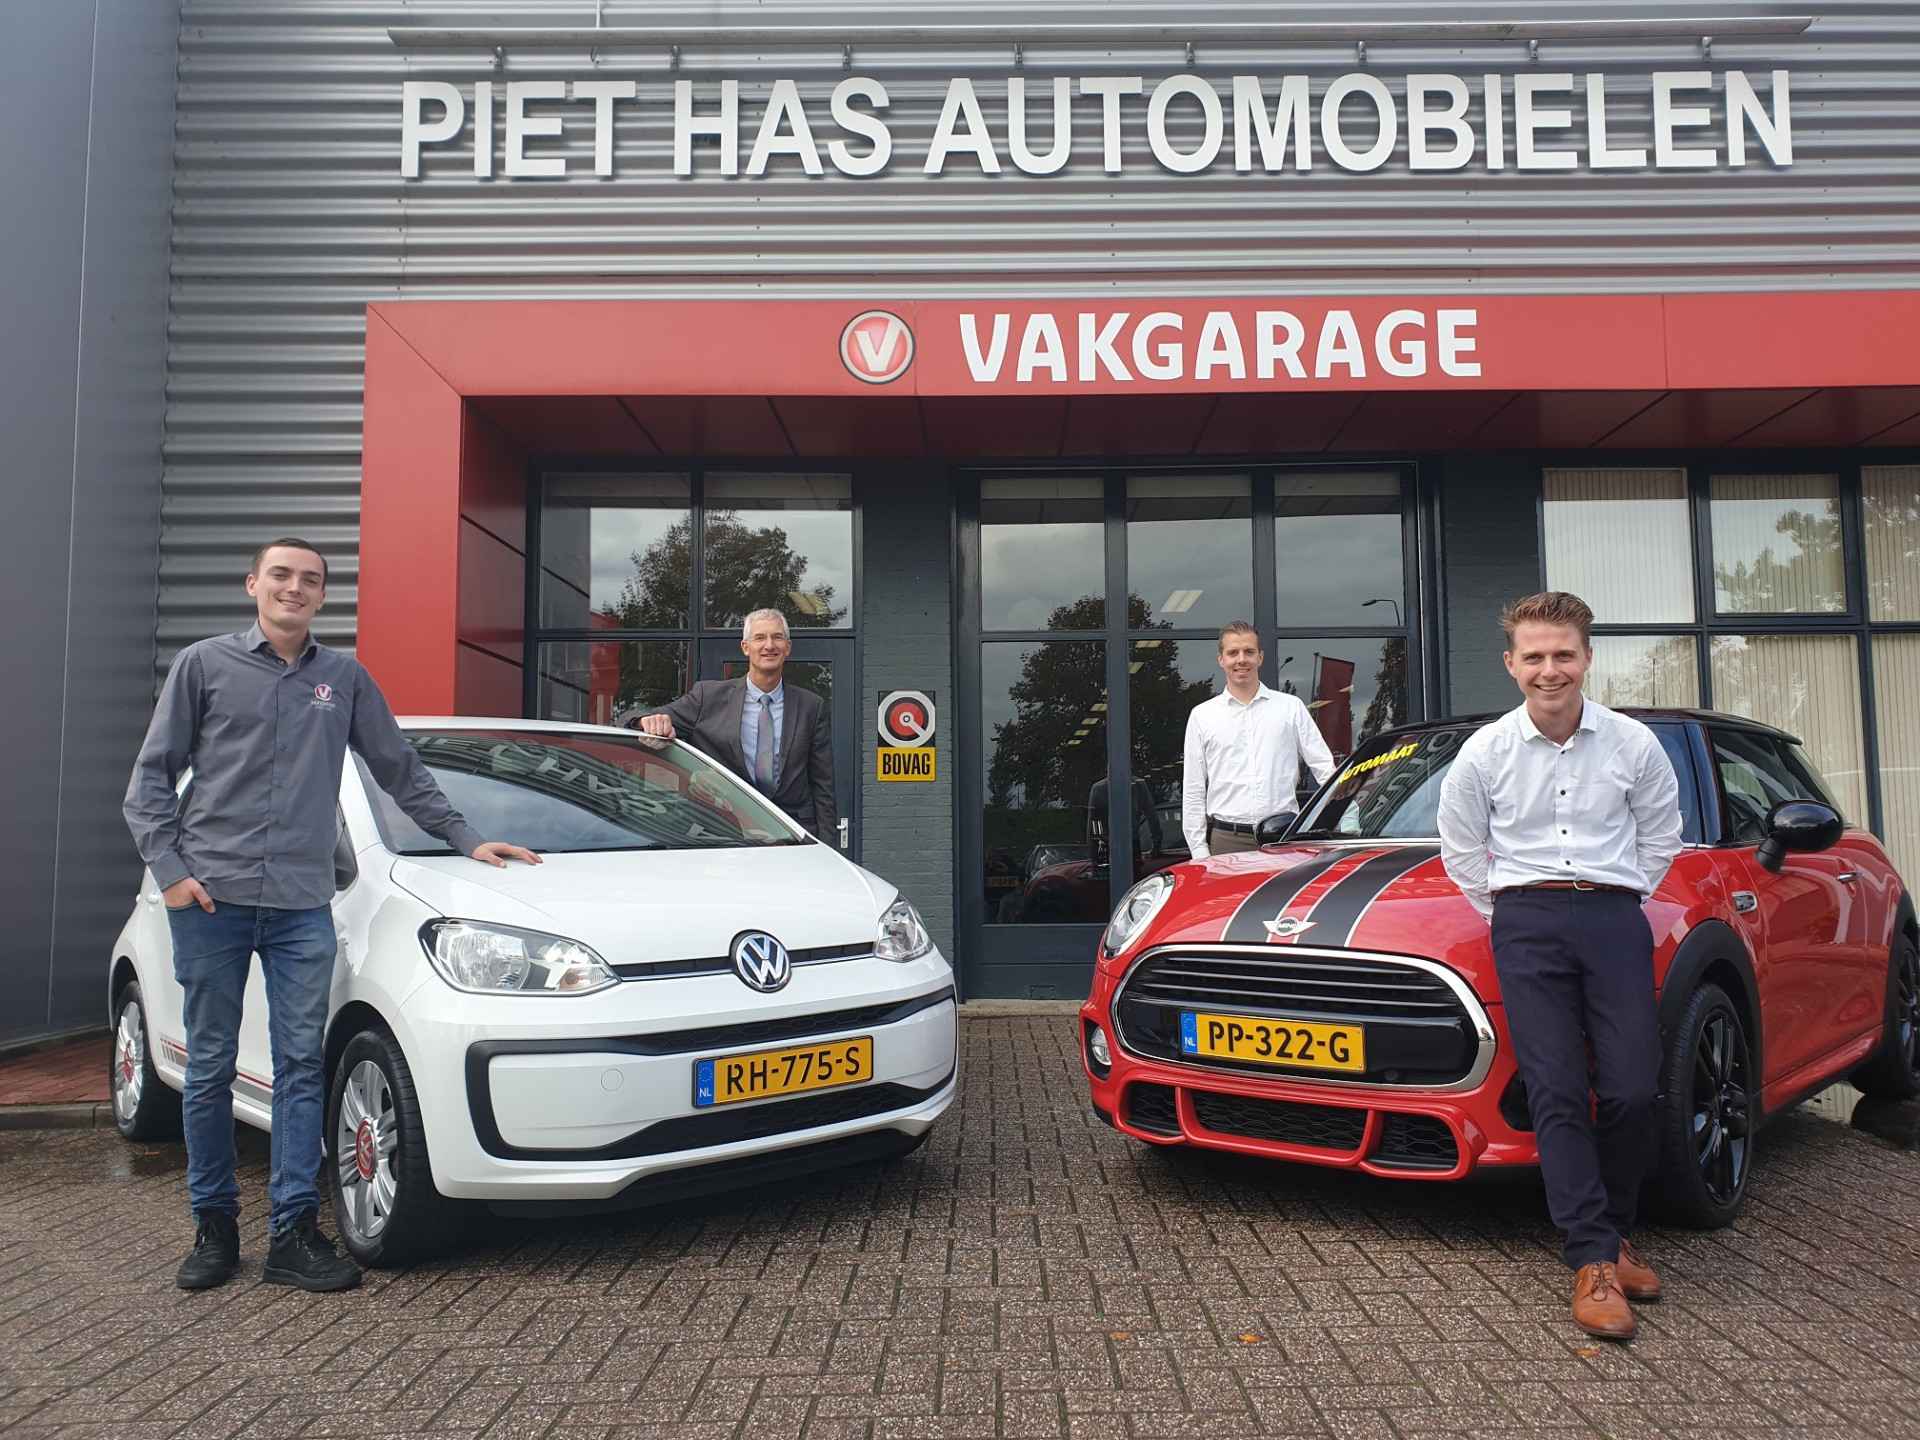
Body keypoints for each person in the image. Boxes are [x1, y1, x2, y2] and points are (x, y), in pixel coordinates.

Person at [124, 538, 540, 1294]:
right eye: (281, 575)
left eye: (310, 580)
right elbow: (151, 780)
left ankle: (292, 1233)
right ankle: (214, 1227)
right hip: (213, 902)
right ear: (253, 583)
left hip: (300, 907)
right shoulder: (203, 665)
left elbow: (399, 770)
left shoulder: (343, 679)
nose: (295, 588)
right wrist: (174, 876)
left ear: (322, 595)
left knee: (299, 1069)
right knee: (210, 1066)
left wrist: (467, 839)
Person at [1435, 591, 1683, 1343]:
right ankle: (1592, 1259)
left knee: (1634, 1087)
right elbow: (1460, 847)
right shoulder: (1485, 753)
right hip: (1526, 921)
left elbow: (1661, 837)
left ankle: (1613, 1231)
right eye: (1535, 656)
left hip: (1613, 918)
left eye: (1563, 655)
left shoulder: (1633, 744)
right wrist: (1510, 914)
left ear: (1587, 658)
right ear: (1511, 664)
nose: (1551, 670)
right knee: (1557, 1089)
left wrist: (1618, 896)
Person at [638, 607, 838, 842]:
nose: (769, 645)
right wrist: (645, 721)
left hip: (791, 835)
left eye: (777, 637)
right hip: (723, 832)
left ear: (787, 647)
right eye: (760, 637)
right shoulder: (707, 698)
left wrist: (828, 846)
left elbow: (823, 785)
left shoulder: (811, 706)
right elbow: (634, 720)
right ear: (745, 647)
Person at [1181, 620, 1336, 859]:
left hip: (1283, 839)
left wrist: (1346, 817)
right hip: (1226, 842)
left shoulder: (1290, 708)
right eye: (1233, 653)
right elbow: (1193, 788)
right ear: (1221, 660)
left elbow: (1324, 768)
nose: (1241, 659)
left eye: (1249, 652)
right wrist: (1199, 850)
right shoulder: (1202, 716)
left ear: (1260, 657)